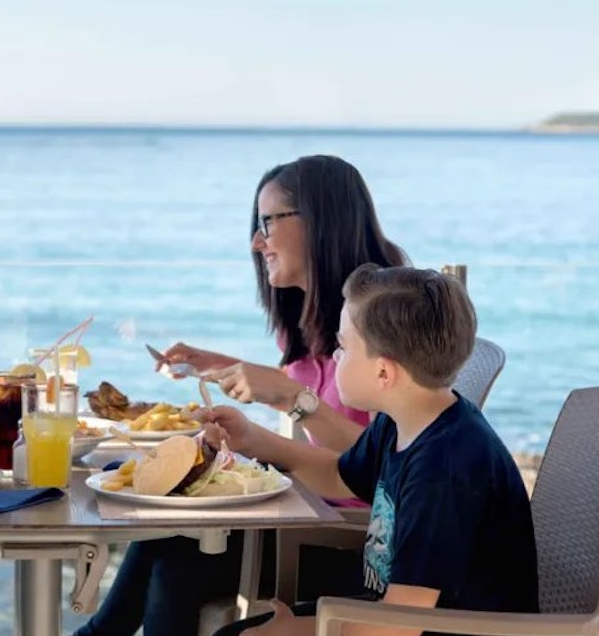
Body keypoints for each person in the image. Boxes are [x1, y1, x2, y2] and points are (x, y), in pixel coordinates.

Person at [76, 155, 407, 636]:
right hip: (309, 509)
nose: (257, 242)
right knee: (165, 529)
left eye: (269, 222)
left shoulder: (382, 317)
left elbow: (387, 464)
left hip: (344, 538)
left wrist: (290, 399)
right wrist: (224, 368)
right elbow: (320, 407)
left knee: (174, 554)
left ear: (320, 220)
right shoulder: (312, 316)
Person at [205, 264, 538, 636]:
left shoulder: (443, 468)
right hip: (391, 613)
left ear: (383, 373)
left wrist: (298, 632)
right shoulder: (404, 419)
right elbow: (338, 476)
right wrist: (251, 440)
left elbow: (400, 626)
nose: (334, 357)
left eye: (344, 346)